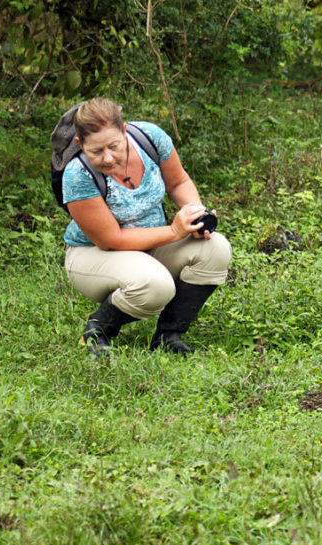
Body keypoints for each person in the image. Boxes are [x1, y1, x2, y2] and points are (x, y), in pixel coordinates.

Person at [57, 98, 231, 356]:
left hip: (152, 245)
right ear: (80, 144)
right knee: (155, 284)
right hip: (94, 255)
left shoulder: (150, 138)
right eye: (96, 151)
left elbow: (178, 182)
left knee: (216, 248)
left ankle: (168, 336)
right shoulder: (77, 175)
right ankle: (98, 330)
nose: (108, 158)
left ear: (125, 130)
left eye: (114, 146)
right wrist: (174, 231)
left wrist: (195, 213)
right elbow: (111, 239)